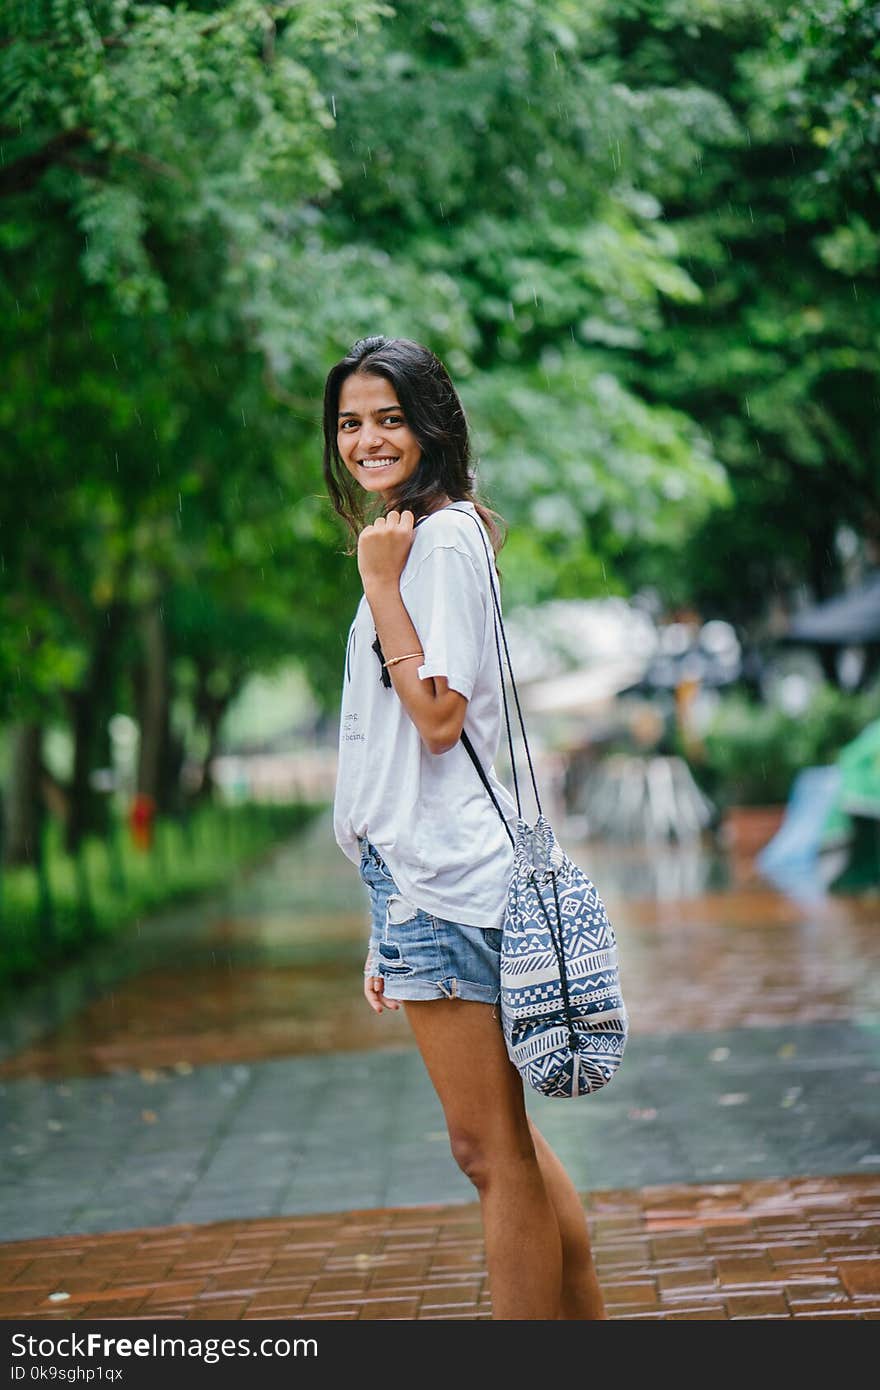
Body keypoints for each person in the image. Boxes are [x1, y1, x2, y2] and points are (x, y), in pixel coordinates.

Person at [323, 335, 606, 1321]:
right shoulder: (419, 537)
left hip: (444, 878)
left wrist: (379, 585)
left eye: (388, 418)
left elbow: (437, 718)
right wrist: (378, 909)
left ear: (429, 424)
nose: (367, 439)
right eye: (352, 422)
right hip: (420, 876)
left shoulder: (428, 545)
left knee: (490, 1154)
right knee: (505, 1147)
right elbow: (392, 760)